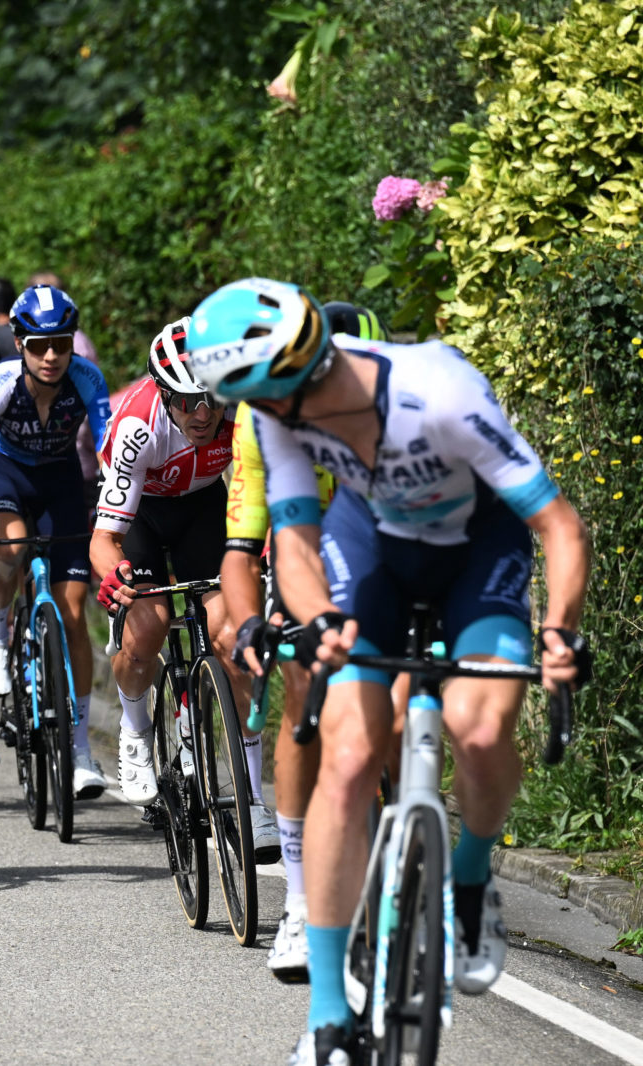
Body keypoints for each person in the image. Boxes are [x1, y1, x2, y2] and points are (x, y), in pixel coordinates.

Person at [185, 277, 592, 1066]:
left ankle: (468, 882)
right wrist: (321, 620)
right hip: (372, 544)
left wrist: (559, 633)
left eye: (262, 400)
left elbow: (559, 525)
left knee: (481, 730)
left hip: (477, 549)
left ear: (300, 376)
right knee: (345, 757)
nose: (256, 416)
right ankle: (328, 1019)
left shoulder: (440, 391)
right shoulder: (275, 415)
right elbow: (295, 542)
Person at [220, 301, 386, 983]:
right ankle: (299, 899)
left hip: (381, 531)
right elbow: (243, 548)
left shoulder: (398, 406)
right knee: (301, 698)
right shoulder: (262, 417)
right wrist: (248, 623)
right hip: (301, 538)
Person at [90, 316, 273, 865]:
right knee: (147, 627)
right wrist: (116, 578)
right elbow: (105, 540)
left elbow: (270, 491)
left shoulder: (242, 412)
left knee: (234, 641)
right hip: (142, 513)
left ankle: (253, 800)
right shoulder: (138, 427)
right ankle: (135, 730)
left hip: (202, 507)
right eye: (188, 402)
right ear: (164, 395)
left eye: (211, 399)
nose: (202, 415)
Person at [0, 284, 111, 793]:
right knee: (12, 546)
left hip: (60, 481)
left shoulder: (87, 379)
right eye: (39, 345)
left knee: (73, 614)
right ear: (20, 343)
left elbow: (111, 455)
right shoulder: (2, 381)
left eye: (61, 344)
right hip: (6, 475)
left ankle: (80, 749)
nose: (51, 356)